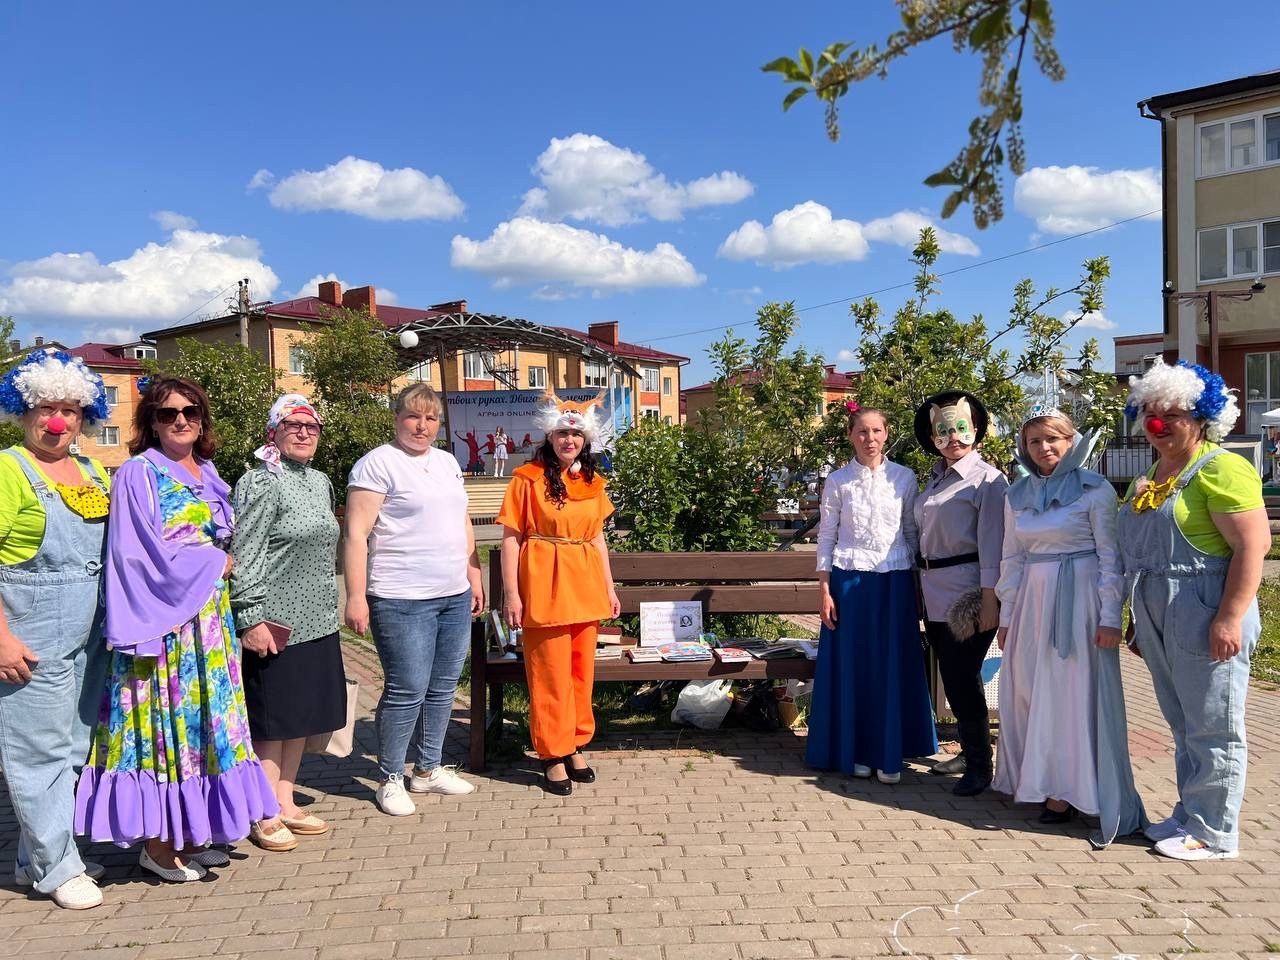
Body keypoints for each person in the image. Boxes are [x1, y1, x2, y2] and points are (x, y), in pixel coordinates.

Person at [75, 377, 277, 883]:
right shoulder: (138, 474)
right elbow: (133, 554)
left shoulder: (206, 471)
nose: (181, 420)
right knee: (164, 731)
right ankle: (157, 846)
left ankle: (191, 830)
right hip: (163, 627)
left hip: (209, 626)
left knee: (204, 728)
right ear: (150, 423)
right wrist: (213, 561)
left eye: (190, 411)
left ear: (202, 418)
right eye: (167, 414)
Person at [1119, 361, 1268, 861]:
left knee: (1214, 725)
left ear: (1201, 417)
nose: (1159, 424)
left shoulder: (1222, 467)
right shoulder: (1154, 474)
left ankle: (1214, 831)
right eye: (1151, 413)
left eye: (1173, 414)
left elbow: (1253, 547)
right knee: (1183, 724)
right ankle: (1190, 812)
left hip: (1205, 607)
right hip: (1161, 611)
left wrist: (1229, 617)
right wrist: (1140, 620)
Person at [992, 406, 1147, 845]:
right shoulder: (1016, 493)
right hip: (1032, 605)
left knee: (1075, 695)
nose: (1044, 449)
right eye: (1035, 441)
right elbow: (1012, 556)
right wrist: (1007, 615)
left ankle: (1082, 791)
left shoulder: (1093, 490)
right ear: (1025, 446)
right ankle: (1047, 786)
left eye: (1053, 439)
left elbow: (1110, 557)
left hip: (1078, 602)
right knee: (1033, 694)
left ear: (1071, 441)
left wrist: (1108, 616)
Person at [0, 351, 112, 909]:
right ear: (23, 411)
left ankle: (35, 857)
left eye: (69, 409)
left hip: (90, 629)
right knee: (35, 751)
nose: (57, 422)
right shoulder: (8, 469)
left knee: (72, 747)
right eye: (46, 408)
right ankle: (58, 868)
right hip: (31, 628)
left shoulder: (91, 470)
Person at [344, 384, 484, 817]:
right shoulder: (377, 464)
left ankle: (427, 769)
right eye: (413, 417)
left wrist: (473, 573)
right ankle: (389, 776)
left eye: (430, 419)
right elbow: (355, 535)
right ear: (396, 417)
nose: (421, 426)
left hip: (452, 594)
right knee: (407, 690)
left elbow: (462, 519)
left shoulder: (445, 462)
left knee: (442, 688)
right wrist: (355, 596)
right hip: (400, 597)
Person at [231, 394, 345, 852]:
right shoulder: (260, 482)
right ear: (272, 432)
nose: (303, 433)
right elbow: (247, 552)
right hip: (274, 620)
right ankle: (262, 810)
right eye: (292, 425)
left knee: (300, 715)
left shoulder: (319, 481)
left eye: (311, 427)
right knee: (271, 718)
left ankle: (286, 798)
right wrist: (250, 616)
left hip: (318, 618)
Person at [496, 392, 620, 795]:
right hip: (545, 582)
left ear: (586, 440)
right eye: (563, 433)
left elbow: (598, 538)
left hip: (584, 583)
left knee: (581, 672)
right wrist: (512, 595)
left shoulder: (591, 481)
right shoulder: (526, 478)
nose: (570, 440)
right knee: (549, 674)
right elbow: (511, 540)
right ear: (550, 436)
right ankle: (552, 752)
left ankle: (575, 744)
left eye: (577, 434)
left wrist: (609, 586)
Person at [808, 404, 937, 782]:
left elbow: (912, 536)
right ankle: (857, 750)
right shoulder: (838, 481)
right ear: (851, 436)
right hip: (849, 582)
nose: (870, 439)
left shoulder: (905, 478)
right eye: (862, 432)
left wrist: (916, 588)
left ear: (887, 433)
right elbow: (827, 537)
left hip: (894, 581)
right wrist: (824, 590)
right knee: (856, 665)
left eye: (877, 431)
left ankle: (889, 751)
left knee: (891, 664)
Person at [912, 391, 1008, 797]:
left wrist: (990, 598)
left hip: (967, 592)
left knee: (962, 678)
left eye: (961, 429)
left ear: (976, 431)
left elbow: (993, 543)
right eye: (944, 430)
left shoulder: (988, 480)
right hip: (933, 591)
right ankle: (970, 753)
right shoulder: (935, 478)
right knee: (952, 678)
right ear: (934, 436)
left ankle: (980, 766)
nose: (954, 437)